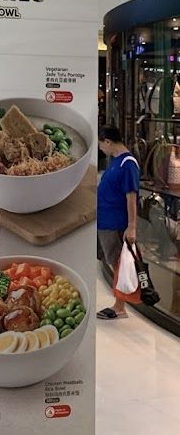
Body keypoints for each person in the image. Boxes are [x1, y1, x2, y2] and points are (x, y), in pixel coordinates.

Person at [96, 125, 140, 320]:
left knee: (118, 263)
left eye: (101, 145)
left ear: (107, 141)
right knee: (113, 261)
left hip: (115, 223)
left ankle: (119, 306)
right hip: (105, 221)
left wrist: (131, 227)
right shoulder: (116, 162)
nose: (101, 149)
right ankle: (119, 302)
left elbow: (131, 197)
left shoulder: (128, 164)